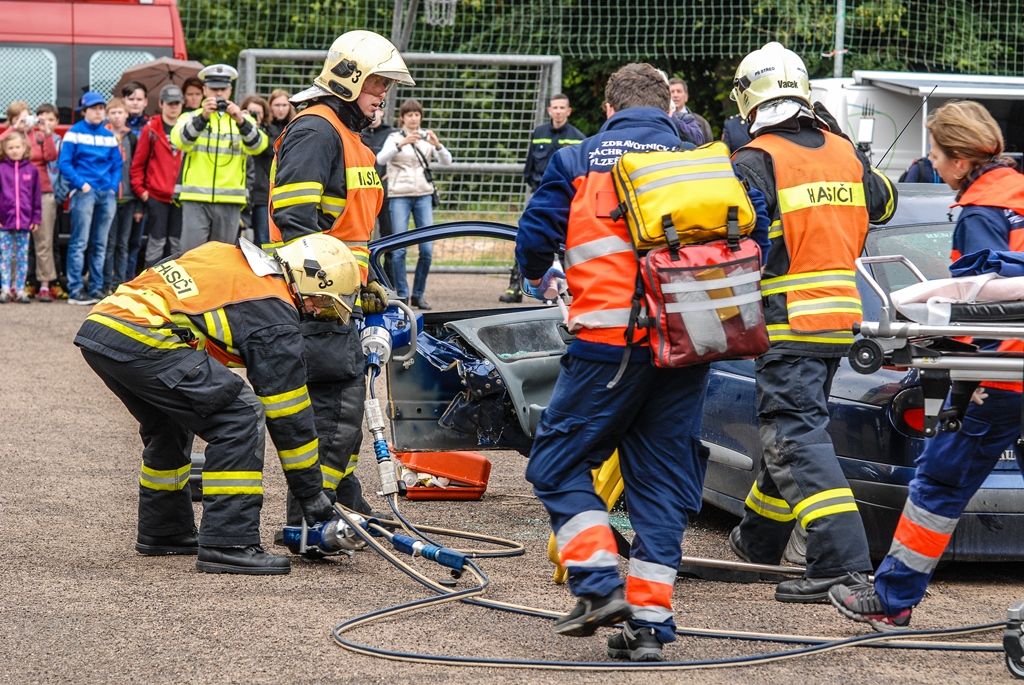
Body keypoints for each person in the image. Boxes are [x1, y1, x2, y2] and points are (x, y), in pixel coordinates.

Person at [517, 62, 768, 663]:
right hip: (690, 343)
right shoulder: (704, 158)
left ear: (608, 109)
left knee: (555, 463)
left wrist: (539, 274)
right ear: (668, 108)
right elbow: (759, 226)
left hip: (610, 343)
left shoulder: (577, 159)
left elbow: (533, 243)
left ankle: (598, 582)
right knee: (659, 485)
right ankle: (650, 626)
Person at [830, 100, 1024, 630]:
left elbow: (982, 300)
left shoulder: (981, 212)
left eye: (936, 155)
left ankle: (893, 598)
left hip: (1005, 373)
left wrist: (934, 342)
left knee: (939, 481)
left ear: (961, 160)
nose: (933, 164)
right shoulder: (1017, 192)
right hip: (1009, 366)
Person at [73, 233, 356, 575]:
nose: (317, 313)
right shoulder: (273, 309)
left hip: (104, 327)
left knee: (169, 424)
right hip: (145, 335)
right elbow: (289, 415)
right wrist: (311, 494)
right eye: (321, 302)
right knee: (239, 415)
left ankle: (165, 530)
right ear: (305, 279)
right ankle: (228, 542)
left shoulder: (228, 255)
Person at [725, 42, 898, 604]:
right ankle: (758, 544)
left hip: (787, 322)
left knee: (793, 437)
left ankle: (841, 564)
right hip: (839, 320)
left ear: (749, 99)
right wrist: (843, 140)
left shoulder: (755, 160)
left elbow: (737, 243)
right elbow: (885, 203)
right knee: (792, 432)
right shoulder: (844, 154)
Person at [267, 29, 414, 523]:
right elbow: (294, 220)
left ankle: (342, 504)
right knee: (335, 408)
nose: (383, 95)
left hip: (339, 295)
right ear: (349, 80)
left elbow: (351, 231)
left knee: (344, 406)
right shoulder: (316, 131)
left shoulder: (351, 139)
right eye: (377, 84)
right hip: (314, 298)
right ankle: (313, 521)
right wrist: (331, 288)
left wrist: (363, 280)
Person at [170, 63, 268, 251]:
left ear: (230, 90)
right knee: (192, 255)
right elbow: (180, 141)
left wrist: (240, 120)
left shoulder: (242, 119)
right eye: (214, 89)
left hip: (230, 200)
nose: (219, 93)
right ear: (205, 90)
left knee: (222, 257)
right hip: (195, 198)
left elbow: (258, 146)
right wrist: (203, 118)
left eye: (223, 89)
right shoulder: (190, 117)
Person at [500, 94, 585, 304]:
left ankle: (569, 290)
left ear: (569, 111)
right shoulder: (539, 133)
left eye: (562, 108)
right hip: (539, 195)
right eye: (555, 107)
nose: (558, 111)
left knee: (566, 244)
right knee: (527, 238)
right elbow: (529, 168)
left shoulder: (578, 138)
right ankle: (516, 287)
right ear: (549, 110)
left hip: (566, 200)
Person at [376, 97, 452, 310]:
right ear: (402, 118)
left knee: (427, 249)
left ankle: (419, 294)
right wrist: (401, 144)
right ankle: (403, 295)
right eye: (409, 115)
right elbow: (381, 159)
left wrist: (437, 145)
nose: (413, 118)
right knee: (399, 249)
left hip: (423, 195)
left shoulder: (427, 137)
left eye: (417, 114)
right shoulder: (394, 137)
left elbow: (447, 161)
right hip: (399, 195)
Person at [58, 91, 121, 305]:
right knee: (80, 242)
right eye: (94, 108)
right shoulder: (74, 133)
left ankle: (96, 289)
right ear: (84, 111)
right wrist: (81, 184)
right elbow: (64, 163)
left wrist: (112, 187)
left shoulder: (108, 135)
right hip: (85, 192)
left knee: (100, 244)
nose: (99, 112)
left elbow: (117, 164)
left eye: (101, 108)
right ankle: (75, 291)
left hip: (106, 193)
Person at [4, 101, 58, 301]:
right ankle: (11, 285)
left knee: (44, 241)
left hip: (41, 192)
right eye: (19, 118)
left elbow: (51, 156)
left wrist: (47, 133)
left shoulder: (39, 136)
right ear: (12, 120)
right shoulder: (9, 137)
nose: (25, 121)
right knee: (12, 245)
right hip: (14, 196)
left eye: (27, 116)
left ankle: (44, 284)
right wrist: (13, 129)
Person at [131, 83, 185, 268]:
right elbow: (138, 164)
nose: (173, 107)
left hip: (182, 197)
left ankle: (174, 284)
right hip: (156, 196)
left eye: (177, 103)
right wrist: (143, 192)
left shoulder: (188, 128)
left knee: (177, 245)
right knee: (156, 244)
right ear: (161, 104)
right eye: (170, 103)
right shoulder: (151, 129)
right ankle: (151, 281)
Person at [102, 97, 143, 293]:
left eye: (120, 112)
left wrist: (139, 205)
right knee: (108, 243)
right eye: (113, 113)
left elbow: (138, 169)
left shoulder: (132, 138)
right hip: (109, 198)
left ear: (126, 114)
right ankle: (106, 283)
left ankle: (121, 283)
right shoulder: (103, 136)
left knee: (123, 243)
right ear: (107, 115)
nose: (117, 116)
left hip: (129, 198)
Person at [0, 131, 42, 303]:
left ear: (24, 147)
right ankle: (5, 289)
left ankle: (19, 289)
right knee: (5, 257)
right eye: (10, 148)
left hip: (24, 223)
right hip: (4, 223)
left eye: (17, 147)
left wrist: (36, 218)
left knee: (22, 258)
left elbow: (36, 197)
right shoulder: (1, 169)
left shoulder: (32, 170)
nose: (15, 150)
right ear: (4, 149)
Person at [360, 107, 396, 277]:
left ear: (383, 112)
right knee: (364, 236)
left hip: (386, 191)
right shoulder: (358, 133)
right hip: (364, 192)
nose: (375, 113)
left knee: (390, 237)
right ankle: (368, 277)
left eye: (379, 109)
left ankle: (390, 281)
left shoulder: (391, 134)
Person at [241, 94, 272, 246]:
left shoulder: (269, 132)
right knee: (236, 237)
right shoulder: (235, 131)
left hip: (261, 194)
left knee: (263, 238)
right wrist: (243, 123)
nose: (255, 116)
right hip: (241, 192)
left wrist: (255, 130)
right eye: (251, 112)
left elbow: (268, 149)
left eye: (258, 113)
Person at [668, 77, 712, 145]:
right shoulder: (662, 119)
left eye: (679, 91)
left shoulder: (701, 122)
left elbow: (709, 146)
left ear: (686, 97)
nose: (675, 95)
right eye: (672, 92)